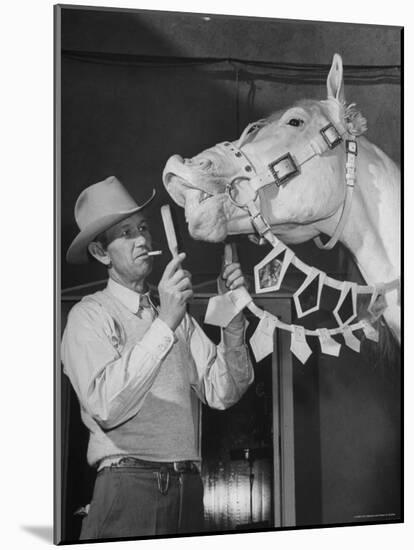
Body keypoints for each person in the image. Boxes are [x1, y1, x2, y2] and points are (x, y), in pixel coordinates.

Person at [61, 176, 254, 541]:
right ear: (102, 254)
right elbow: (106, 405)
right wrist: (165, 321)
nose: (142, 240)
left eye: (143, 228)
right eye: (126, 233)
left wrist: (231, 316)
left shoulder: (173, 315)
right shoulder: (89, 316)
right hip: (129, 485)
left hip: (190, 487)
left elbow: (224, 392)